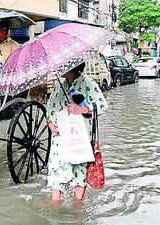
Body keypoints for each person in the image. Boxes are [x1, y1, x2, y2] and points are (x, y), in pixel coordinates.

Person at [45, 62, 108, 208]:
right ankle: (55, 202)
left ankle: (78, 204)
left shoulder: (88, 83)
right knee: (56, 168)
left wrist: (82, 109)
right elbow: (50, 105)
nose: (59, 68)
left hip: (80, 137)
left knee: (79, 169)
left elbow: (102, 106)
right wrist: (50, 123)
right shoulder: (59, 83)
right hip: (59, 137)